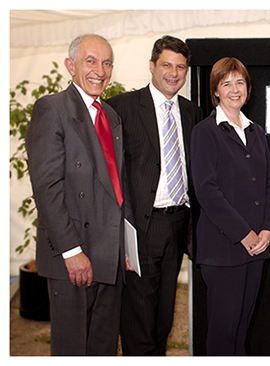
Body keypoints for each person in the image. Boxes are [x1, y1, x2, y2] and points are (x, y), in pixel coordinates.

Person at [26, 34, 133, 355]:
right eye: (91, 61)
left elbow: (118, 185)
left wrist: (124, 245)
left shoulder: (111, 116)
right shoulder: (52, 108)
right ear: (70, 66)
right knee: (72, 350)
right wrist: (71, 252)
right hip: (74, 255)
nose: (100, 70)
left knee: (102, 348)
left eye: (107, 62)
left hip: (109, 255)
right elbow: (47, 188)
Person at [107, 35, 203, 355]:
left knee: (164, 312)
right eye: (166, 65)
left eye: (180, 66)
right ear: (151, 66)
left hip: (178, 224)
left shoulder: (193, 112)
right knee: (138, 316)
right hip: (140, 227)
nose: (173, 73)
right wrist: (122, 233)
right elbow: (112, 174)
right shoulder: (122, 107)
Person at [190, 57, 270, 355]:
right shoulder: (206, 131)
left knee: (242, 329)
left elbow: (269, 184)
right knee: (222, 334)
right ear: (215, 90)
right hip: (223, 249)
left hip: (257, 248)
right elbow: (206, 190)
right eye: (226, 83)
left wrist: (267, 229)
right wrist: (245, 233)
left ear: (248, 88)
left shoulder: (256, 132)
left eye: (240, 82)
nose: (234, 89)